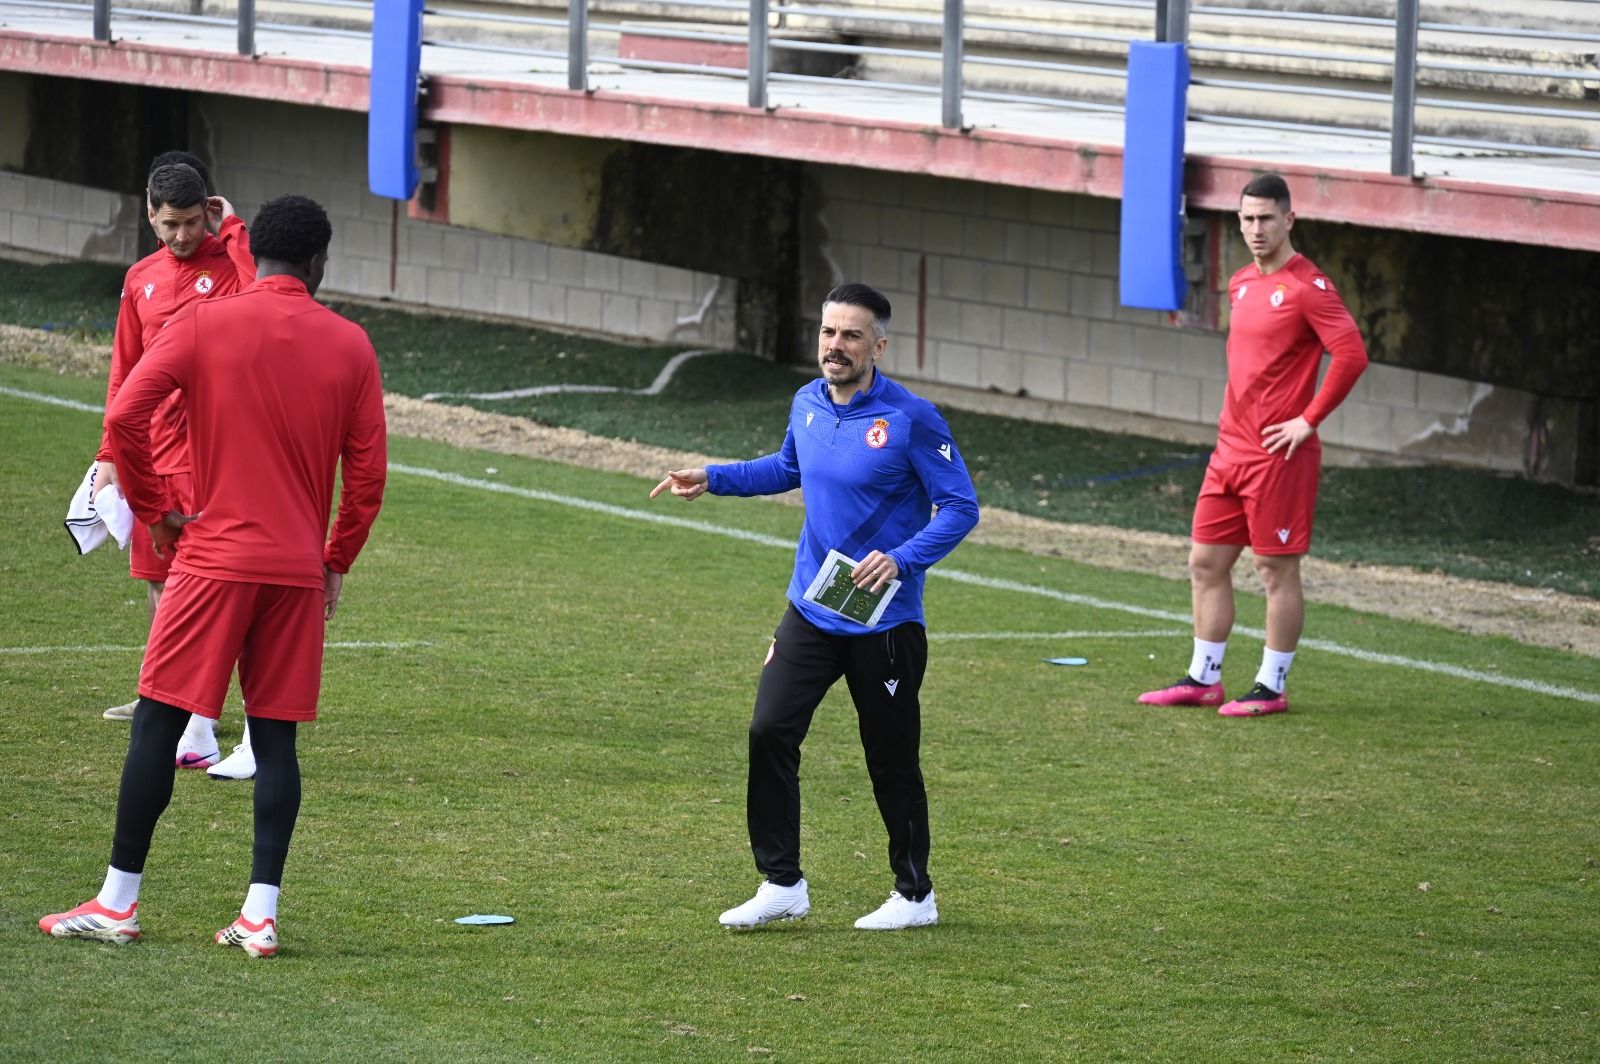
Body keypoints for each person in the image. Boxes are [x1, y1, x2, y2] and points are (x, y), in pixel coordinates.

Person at [41, 195, 387, 955]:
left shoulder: (202, 323)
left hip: (209, 563)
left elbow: (127, 415)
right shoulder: (353, 346)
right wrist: (334, 562)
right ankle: (260, 914)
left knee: (159, 721)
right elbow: (367, 478)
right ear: (320, 263)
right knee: (276, 740)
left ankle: (118, 904)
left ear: (251, 252)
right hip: (294, 572)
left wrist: (159, 507)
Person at [652, 282, 979, 930]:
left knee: (889, 756)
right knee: (769, 729)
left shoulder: (912, 419)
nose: (836, 346)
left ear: (878, 345)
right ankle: (782, 882)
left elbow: (961, 507)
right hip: (812, 606)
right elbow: (786, 467)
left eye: (851, 335)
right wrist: (713, 477)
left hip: (884, 621)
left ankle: (915, 895)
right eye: (829, 332)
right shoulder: (806, 401)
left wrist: (903, 558)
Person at [1138, 173, 1368, 718]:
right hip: (1230, 453)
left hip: (1279, 455)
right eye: (1247, 219)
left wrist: (1307, 420)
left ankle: (1271, 685)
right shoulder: (1242, 283)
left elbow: (1352, 354)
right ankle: (1203, 678)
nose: (1256, 229)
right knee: (1205, 562)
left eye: (1266, 218)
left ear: (1290, 219)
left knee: (1274, 570)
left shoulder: (1310, 287)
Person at [97, 153, 259, 778]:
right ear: (150, 214)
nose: (183, 235)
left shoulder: (231, 264)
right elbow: (124, 367)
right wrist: (109, 457)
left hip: (215, 456)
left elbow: (264, 298)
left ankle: (205, 714)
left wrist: (235, 228)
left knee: (219, 586)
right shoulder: (139, 278)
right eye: (170, 224)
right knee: (160, 584)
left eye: (194, 221)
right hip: (149, 455)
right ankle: (174, 703)